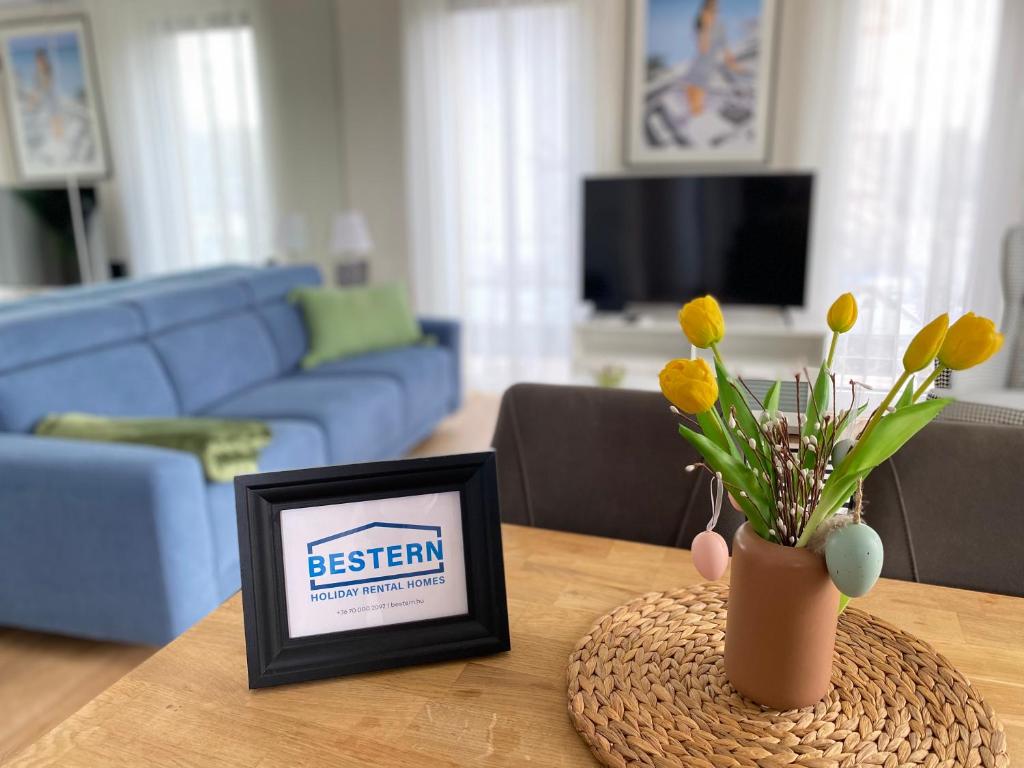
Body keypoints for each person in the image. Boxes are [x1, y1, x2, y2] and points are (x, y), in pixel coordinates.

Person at [684, 0, 740, 116]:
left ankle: (697, 118)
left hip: (708, 66)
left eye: (716, 9)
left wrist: (732, 62)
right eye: (711, 9)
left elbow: (725, 46)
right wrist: (705, 27)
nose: (715, 12)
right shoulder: (701, 25)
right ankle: (694, 118)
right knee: (691, 96)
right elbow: (703, 48)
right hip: (698, 64)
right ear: (704, 10)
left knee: (697, 101)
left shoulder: (720, 25)